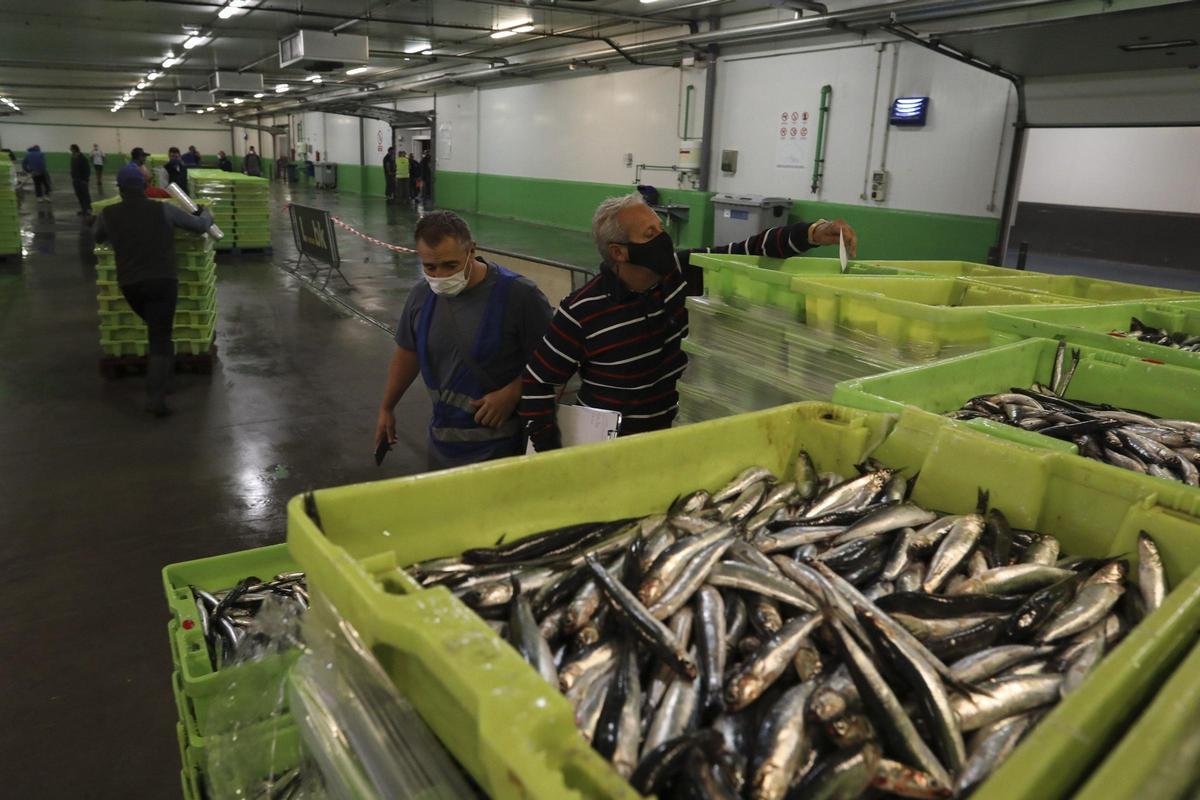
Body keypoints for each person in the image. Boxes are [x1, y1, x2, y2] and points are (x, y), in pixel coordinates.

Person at [520, 192, 858, 450]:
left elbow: (749, 249)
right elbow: (537, 384)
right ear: (619, 252)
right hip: (610, 446)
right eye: (650, 234)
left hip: (675, 432)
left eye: (661, 228)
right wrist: (553, 451)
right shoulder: (582, 311)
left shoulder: (680, 273)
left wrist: (813, 233)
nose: (663, 239)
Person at [374, 211, 553, 471]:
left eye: (451, 265)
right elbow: (408, 353)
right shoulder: (421, 295)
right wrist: (387, 407)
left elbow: (554, 361)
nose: (441, 276)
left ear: (472, 250)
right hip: (443, 445)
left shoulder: (519, 296)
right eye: (430, 267)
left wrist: (514, 391)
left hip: (503, 450)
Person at [92, 165, 214, 417]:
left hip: (130, 286)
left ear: (120, 189)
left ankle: (165, 381)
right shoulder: (163, 210)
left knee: (157, 331)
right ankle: (156, 397)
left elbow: (97, 236)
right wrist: (208, 215)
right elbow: (199, 226)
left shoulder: (109, 214)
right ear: (144, 187)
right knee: (160, 337)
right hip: (162, 281)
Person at [68, 144, 92, 216]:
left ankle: (89, 209)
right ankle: (83, 209)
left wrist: (85, 179)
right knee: (79, 195)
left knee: (85, 195)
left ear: (75, 149)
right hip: (75, 180)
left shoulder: (83, 158)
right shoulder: (73, 158)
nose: (70, 151)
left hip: (82, 180)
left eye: (71, 149)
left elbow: (87, 170)